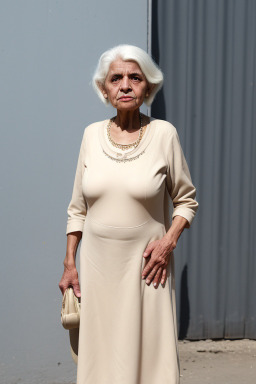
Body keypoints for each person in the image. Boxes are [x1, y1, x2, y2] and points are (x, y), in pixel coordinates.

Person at [59, 44, 198, 384]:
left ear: (147, 88)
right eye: (116, 78)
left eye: (134, 78)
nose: (125, 85)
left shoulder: (164, 134)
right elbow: (77, 209)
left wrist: (168, 242)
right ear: (104, 89)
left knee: (150, 362)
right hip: (96, 270)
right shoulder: (91, 135)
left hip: (147, 269)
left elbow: (186, 201)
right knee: (102, 359)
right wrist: (69, 265)